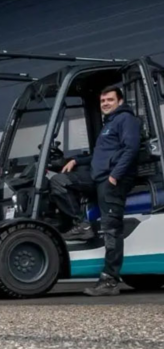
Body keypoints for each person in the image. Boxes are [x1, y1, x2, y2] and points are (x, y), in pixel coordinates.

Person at [49, 84, 140, 296]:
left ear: (120, 101)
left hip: (112, 182)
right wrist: (75, 160)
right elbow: (99, 156)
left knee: (111, 230)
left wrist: (115, 176)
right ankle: (82, 225)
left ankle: (110, 281)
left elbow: (131, 148)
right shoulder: (109, 124)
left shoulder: (126, 119)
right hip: (97, 177)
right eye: (102, 101)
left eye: (109, 100)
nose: (105, 104)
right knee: (60, 181)